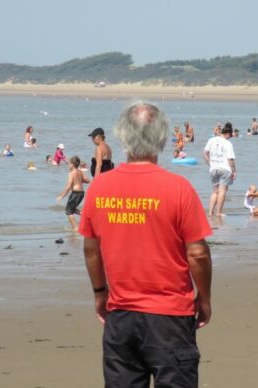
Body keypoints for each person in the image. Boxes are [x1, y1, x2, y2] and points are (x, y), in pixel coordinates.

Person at [79, 101, 212, 387]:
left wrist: (100, 293)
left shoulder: (99, 187)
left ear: (122, 136)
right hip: (170, 318)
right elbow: (198, 253)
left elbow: (91, 251)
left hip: (122, 316)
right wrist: (205, 296)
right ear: (162, 137)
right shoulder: (179, 188)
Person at [204, 123, 236, 216]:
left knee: (215, 191)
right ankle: (218, 212)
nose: (229, 138)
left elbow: (205, 153)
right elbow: (230, 159)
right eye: (230, 136)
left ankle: (210, 213)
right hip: (225, 169)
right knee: (222, 191)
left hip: (213, 169)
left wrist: (210, 164)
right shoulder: (228, 143)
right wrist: (234, 171)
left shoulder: (211, 140)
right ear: (228, 134)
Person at [57, 156, 90, 231]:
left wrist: (61, 196)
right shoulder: (80, 172)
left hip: (75, 193)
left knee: (68, 211)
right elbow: (87, 181)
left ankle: (76, 227)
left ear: (72, 165)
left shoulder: (71, 173)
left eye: (69, 164)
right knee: (73, 209)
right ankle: (86, 216)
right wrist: (80, 180)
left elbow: (68, 186)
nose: (68, 165)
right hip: (81, 193)